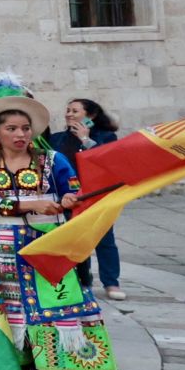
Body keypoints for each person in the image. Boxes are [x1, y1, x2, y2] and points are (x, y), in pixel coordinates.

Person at [0, 74, 116, 370]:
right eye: (11, 129)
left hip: (49, 244)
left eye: (25, 128)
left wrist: (69, 200)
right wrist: (28, 204)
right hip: (4, 247)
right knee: (12, 310)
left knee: (56, 307)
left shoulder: (53, 160)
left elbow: (75, 191)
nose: (20, 135)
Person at [51, 98, 124, 300]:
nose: (69, 114)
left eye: (75, 111)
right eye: (67, 110)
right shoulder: (57, 139)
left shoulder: (106, 137)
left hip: (97, 196)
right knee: (73, 240)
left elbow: (106, 163)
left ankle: (111, 283)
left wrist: (86, 140)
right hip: (68, 197)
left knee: (104, 239)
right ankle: (83, 280)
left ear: (90, 116)